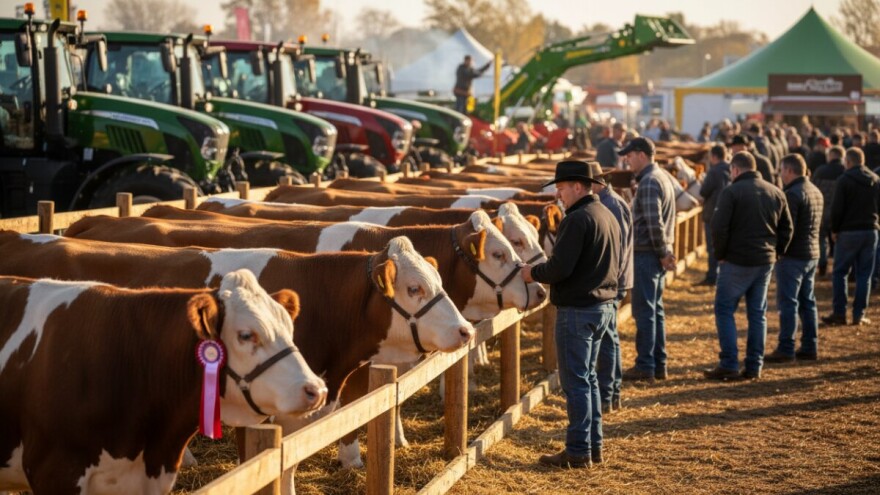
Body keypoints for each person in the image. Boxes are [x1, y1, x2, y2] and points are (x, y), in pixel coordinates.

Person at [521, 160, 620, 469]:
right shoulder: (606, 214)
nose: (559, 195)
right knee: (588, 379)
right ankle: (594, 446)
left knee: (576, 383)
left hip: (577, 310)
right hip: (602, 306)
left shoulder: (577, 219)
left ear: (579, 186)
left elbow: (559, 268)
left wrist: (531, 272)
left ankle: (578, 450)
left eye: (562, 188)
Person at [705, 151, 792, 380]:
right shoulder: (775, 191)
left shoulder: (731, 192)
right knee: (757, 313)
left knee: (724, 310)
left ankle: (729, 363)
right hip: (764, 261)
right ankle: (754, 365)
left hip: (736, 260)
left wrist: (720, 255)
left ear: (735, 169)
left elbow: (718, 226)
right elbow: (787, 228)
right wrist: (777, 252)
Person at [619, 137, 677, 383]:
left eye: (630, 156)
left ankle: (645, 365)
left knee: (644, 312)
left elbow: (655, 223)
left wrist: (662, 252)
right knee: (656, 310)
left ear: (641, 154)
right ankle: (658, 362)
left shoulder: (649, 182)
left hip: (646, 254)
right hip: (654, 254)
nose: (627, 160)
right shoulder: (660, 177)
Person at [765, 154, 823, 363]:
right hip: (812, 253)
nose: (780, 175)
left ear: (789, 171)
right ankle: (810, 346)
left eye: (782, 170)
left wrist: (778, 252)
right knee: (808, 301)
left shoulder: (792, 194)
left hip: (793, 256)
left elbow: (788, 228)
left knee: (788, 302)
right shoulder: (814, 190)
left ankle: (786, 347)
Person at [588, 162, 632, 414]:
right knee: (609, 337)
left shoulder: (610, 205)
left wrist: (609, 281)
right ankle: (611, 392)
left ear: (596, 183)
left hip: (611, 282)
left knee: (607, 338)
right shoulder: (611, 201)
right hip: (614, 281)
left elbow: (620, 250)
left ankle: (608, 392)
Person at [822, 147, 880, 327]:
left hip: (848, 232)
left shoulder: (844, 180)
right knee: (865, 275)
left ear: (848, 162)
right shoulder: (875, 179)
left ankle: (839, 312)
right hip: (870, 230)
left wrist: (834, 229)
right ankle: (859, 314)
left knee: (840, 272)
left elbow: (837, 208)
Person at [696, 143, 731, 286]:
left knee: (712, 247)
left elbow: (704, 191)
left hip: (712, 213)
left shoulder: (714, 171)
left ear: (714, 157)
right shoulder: (731, 168)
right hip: (727, 212)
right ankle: (723, 275)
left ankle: (712, 276)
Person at [812, 146, 846, 276]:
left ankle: (822, 265)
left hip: (822, 210)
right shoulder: (845, 172)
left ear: (830, 156)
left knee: (821, 239)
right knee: (838, 240)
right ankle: (838, 265)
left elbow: (813, 188)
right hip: (840, 212)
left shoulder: (820, 170)